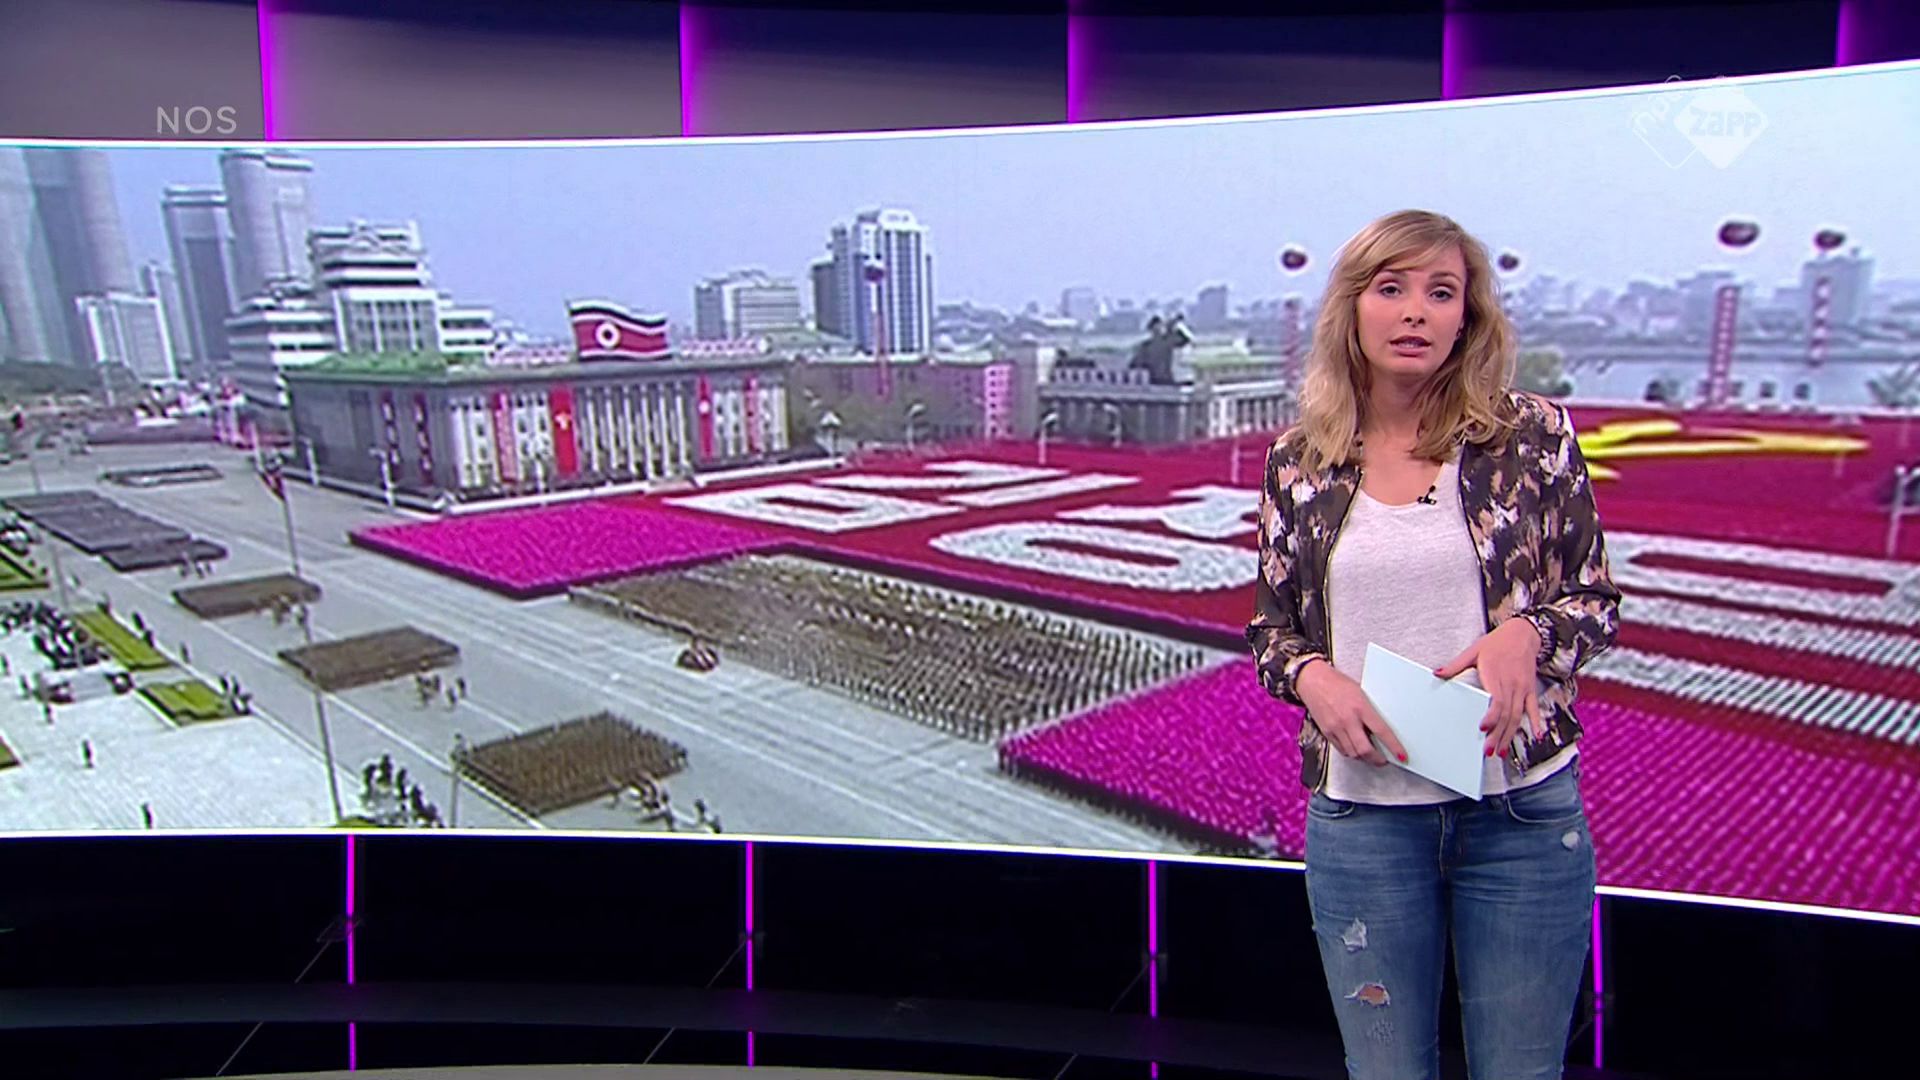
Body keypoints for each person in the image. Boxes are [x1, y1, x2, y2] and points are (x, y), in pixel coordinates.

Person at [1246, 210, 1620, 1080]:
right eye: (1392, 288)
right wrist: (1311, 678)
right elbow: (1271, 630)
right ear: (1353, 309)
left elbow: (1595, 602)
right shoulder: (1299, 462)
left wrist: (1530, 632)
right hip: (1364, 822)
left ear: (1466, 318)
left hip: (1519, 816)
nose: (1415, 310)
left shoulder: (1532, 440)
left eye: (1441, 292)